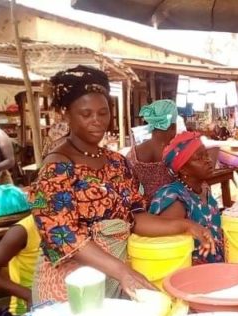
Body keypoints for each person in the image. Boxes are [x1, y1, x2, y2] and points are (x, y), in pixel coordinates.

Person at [30, 66, 214, 303]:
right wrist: (122, 271)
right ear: (66, 114)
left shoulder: (117, 163)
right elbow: (63, 236)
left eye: (103, 113)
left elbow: (135, 217)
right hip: (71, 289)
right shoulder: (56, 169)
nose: (97, 121)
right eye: (86, 114)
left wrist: (186, 225)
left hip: (116, 280)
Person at [149, 132, 224, 264]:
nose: (208, 160)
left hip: (214, 269)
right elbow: (168, 250)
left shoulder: (203, 189)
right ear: (183, 169)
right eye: (199, 158)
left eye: (206, 154)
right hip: (190, 275)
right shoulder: (175, 199)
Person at [128, 99, 178, 202]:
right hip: (175, 211)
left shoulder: (133, 154)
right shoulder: (178, 152)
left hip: (146, 212)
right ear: (173, 127)